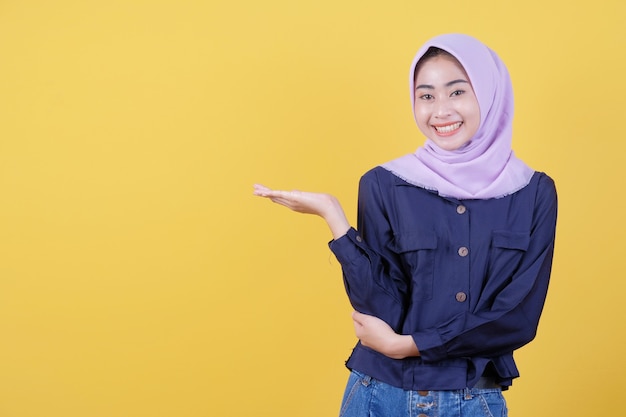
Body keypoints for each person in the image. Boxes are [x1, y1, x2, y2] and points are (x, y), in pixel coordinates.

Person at [254, 33, 557, 417]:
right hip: (378, 394)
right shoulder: (382, 183)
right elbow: (383, 310)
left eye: (458, 92)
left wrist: (408, 345)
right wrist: (336, 220)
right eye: (426, 96)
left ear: (490, 93)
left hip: (471, 400)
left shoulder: (533, 192)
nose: (440, 111)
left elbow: (517, 317)